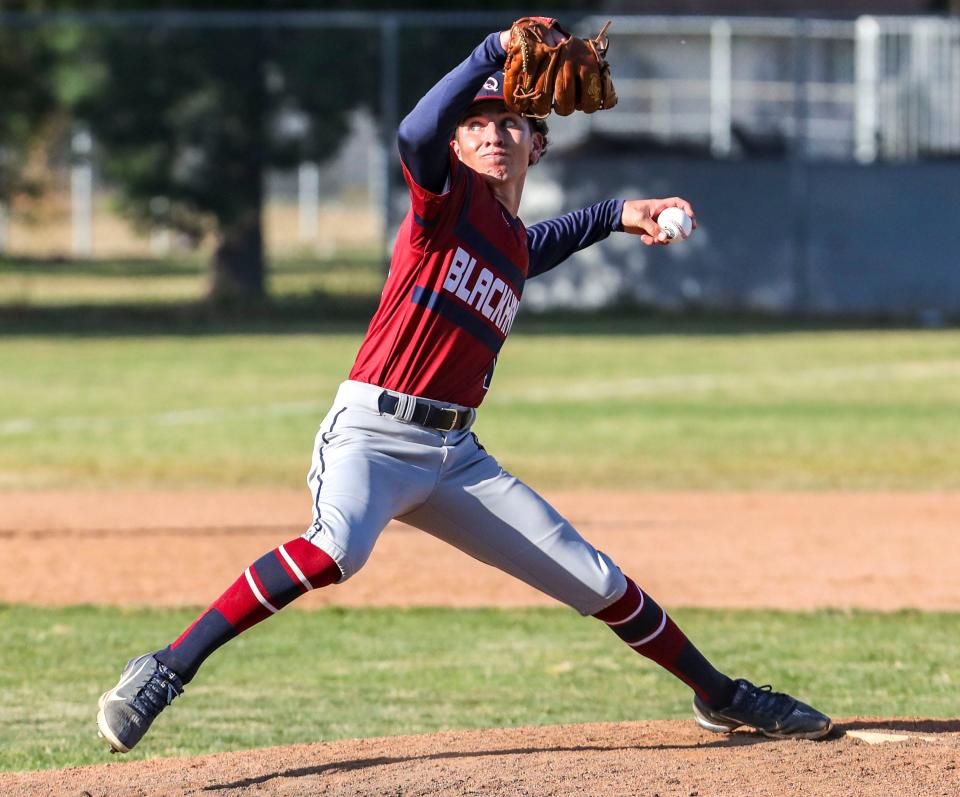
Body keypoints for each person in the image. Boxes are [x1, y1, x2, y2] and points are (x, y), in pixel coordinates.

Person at [97, 23, 832, 755]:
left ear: (537, 143)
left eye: (510, 121)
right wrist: (489, 54)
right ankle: (163, 669)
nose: (492, 135)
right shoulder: (441, 205)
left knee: (596, 577)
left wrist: (617, 214)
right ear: (456, 148)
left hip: (455, 456)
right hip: (373, 436)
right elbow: (416, 132)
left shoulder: (510, 242)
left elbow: (542, 241)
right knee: (336, 551)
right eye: (475, 125)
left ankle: (722, 694)